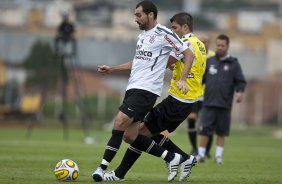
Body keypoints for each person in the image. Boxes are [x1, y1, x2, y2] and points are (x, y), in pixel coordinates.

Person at [92, 1, 195, 182]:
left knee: (119, 121)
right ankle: (172, 157)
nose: (135, 19)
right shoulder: (142, 37)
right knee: (130, 136)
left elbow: (188, 54)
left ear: (151, 15)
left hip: (146, 90)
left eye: (138, 15)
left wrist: (182, 79)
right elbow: (137, 62)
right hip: (133, 88)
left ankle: (101, 169)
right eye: (135, 15)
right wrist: (113, 69)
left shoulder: (164, 33)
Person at [197, 34, 247, 164]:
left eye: (222, 46)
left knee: (221, 131)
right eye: (217, 45)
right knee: (204, 130)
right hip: (208, 103)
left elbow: (240, 81)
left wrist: (240, 92)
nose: (219, 48)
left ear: (227, 47)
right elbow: (200, 80)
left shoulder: (234, 64)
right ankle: (201, 154)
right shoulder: (210, 61)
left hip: (224, 104)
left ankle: (218, 156)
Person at [186, 34, 215, 157]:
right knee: (191, 119)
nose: (204, 44)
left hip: (209, 95)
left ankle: (207, 150)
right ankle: (194, 148)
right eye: (202, 42)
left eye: (206, 42)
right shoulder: (194, 54)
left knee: (208, 123)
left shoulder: (214, 57)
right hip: (195, 94)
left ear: (209, 43)